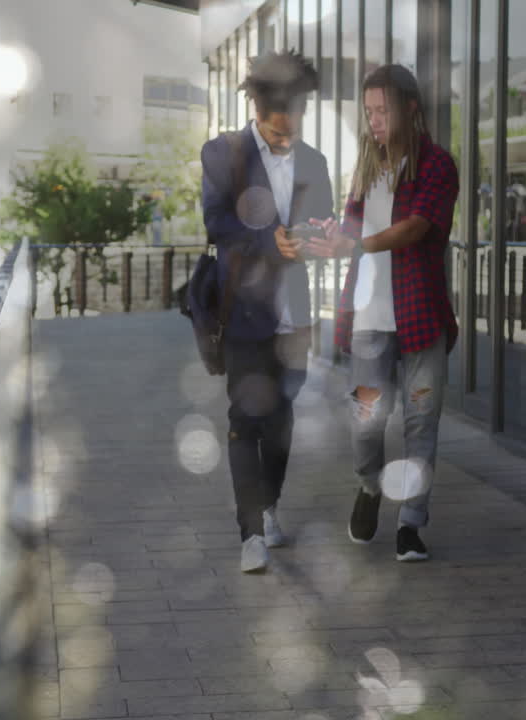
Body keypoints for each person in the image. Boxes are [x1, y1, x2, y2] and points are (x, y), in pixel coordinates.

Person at [304, 64, 460, 562]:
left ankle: (411, 525)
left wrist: (355, 246)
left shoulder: (437, 165)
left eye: (382, 110)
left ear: (410, 108)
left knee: (421, 424)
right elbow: (351, 224)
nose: (373, 120)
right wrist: (335, 235)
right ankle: (370, 487)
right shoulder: (365, 167)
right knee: (366, 422)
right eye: (368, 111)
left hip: (420, 319)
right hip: (369, 320)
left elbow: (416, 228)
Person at [200, 50, 333, 573]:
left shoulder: (316, 162)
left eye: (297, 122)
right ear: (257, 109)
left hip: (295, 314)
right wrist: (266, 239)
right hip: (244, 310)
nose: (290, 133)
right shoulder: (224, 154)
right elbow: (216, 223)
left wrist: (325, 238)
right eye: (280, 129)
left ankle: (271, 506)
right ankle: (249, 532)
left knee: (281, 419)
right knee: (244, 418)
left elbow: (323, 221)